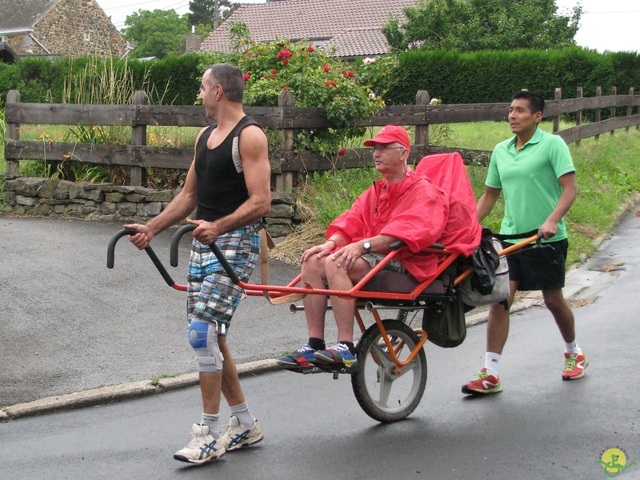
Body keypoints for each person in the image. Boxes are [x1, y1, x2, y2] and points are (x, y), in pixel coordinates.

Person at [125, 63, 271, 463]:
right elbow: (189, 196)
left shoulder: (250, 136)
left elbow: (261, 201)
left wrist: (219, 226)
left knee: (202, 333)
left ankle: (205, 432)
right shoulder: (206, 137)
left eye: (203, 88)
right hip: (204, 243)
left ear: (219, 91)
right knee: (210, 335)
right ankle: (243, 423)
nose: (200, 95)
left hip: (236, 242)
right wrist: (152, 228)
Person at [277, 125, 449, 373]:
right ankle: (314, 343)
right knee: (313, 259)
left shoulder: (423, 191)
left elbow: (410, 231)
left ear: (403, 153)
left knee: (335, 263)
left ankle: (345, 347)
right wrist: (330, 243)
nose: (376, 153)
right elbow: (351, 220)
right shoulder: (377, 190)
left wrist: (362, 245)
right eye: (375, 148)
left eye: (384, 148)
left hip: (407, 258)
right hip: (375, 253)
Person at [461, 90, 586, 396]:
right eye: (510, 110)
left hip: (545, 238)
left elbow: (569, 189)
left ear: (537, 117)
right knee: (502, 298)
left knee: (553, 300)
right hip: (510, 238)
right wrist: (467, 226)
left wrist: (552, 219)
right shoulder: (501, 151)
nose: (512, 116)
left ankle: (574, 352)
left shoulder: (552, 145)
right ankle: (490, 373)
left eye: (520, 111)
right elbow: (490, 195)